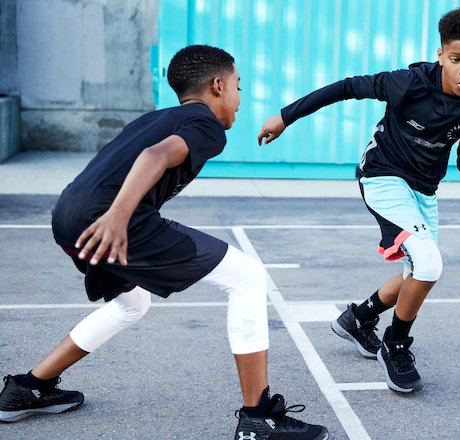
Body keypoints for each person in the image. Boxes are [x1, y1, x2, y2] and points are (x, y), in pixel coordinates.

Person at [0, 45, 328, 440]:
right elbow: (156, 156)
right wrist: (120, 216)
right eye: (239, 86)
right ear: (218, 86)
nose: (241, 99)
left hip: (69, 216)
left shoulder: (156, 118)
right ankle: (258, 419)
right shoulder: (204, 124)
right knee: (247, 278)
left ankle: (27, 388)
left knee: (129, 304)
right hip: (110, 218)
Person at [258, 7, 460, 394]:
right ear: (441, 55)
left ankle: (359, 318)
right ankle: (395, 344)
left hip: (423, 191)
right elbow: (345, 87)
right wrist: (285, 117)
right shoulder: (409, 84)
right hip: (383, 177)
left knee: (415, 274)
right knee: (430, 263)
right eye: (456, 60)